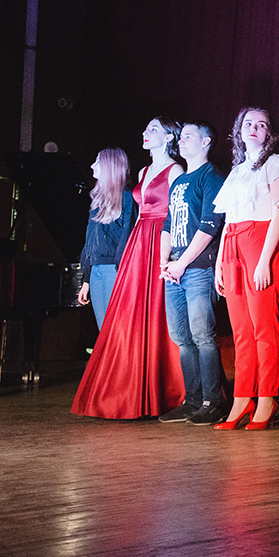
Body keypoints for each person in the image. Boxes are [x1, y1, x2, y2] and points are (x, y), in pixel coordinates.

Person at [72, 117, 185, 419]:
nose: (145, 133)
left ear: (169, 137)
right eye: (146, 128)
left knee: (156, 318)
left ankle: (165, 389)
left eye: (153, 129)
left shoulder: (176, 170)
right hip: (139, 241)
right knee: (126, 324)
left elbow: (177, 214)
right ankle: (128, 389)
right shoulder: (144, 171)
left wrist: (171, 254)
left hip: (159, 239)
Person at [212, 107, 279, 431]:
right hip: (232, 246)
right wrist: (220, 262)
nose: (254, 128)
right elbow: (228, 220)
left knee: (263, 328)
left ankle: (267, 399)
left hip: (261, 244)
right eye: (248, 123)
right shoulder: (237, 171)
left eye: (261, 124)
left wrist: (264, 260)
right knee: (241, 330)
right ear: (239, 130)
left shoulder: (275, 163)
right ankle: (242, 398)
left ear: (269, 132)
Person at [156, 121, 227, 426]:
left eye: (188, 136)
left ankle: (213, 401)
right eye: (181, 136)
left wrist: (182, 263)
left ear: (206, 141)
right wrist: (165, 262)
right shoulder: (179, 182)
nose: (181, 141)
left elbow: (210, 225)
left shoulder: (211, 177)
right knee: (181, 337)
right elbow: (168, 224)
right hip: (175, 270)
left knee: (202, 336)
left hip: (198, 269)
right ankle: (193, 399)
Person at [78, 148, 136, 330]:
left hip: (114, 269)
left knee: (117, 330)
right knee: (104, 329)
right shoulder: (96, 201)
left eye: (97, 161)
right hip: (96, 271)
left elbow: (127, 238)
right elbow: (90, 242)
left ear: (110, 166)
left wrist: (121, 271)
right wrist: (86, 280)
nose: (92, 166)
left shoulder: (127, 198)